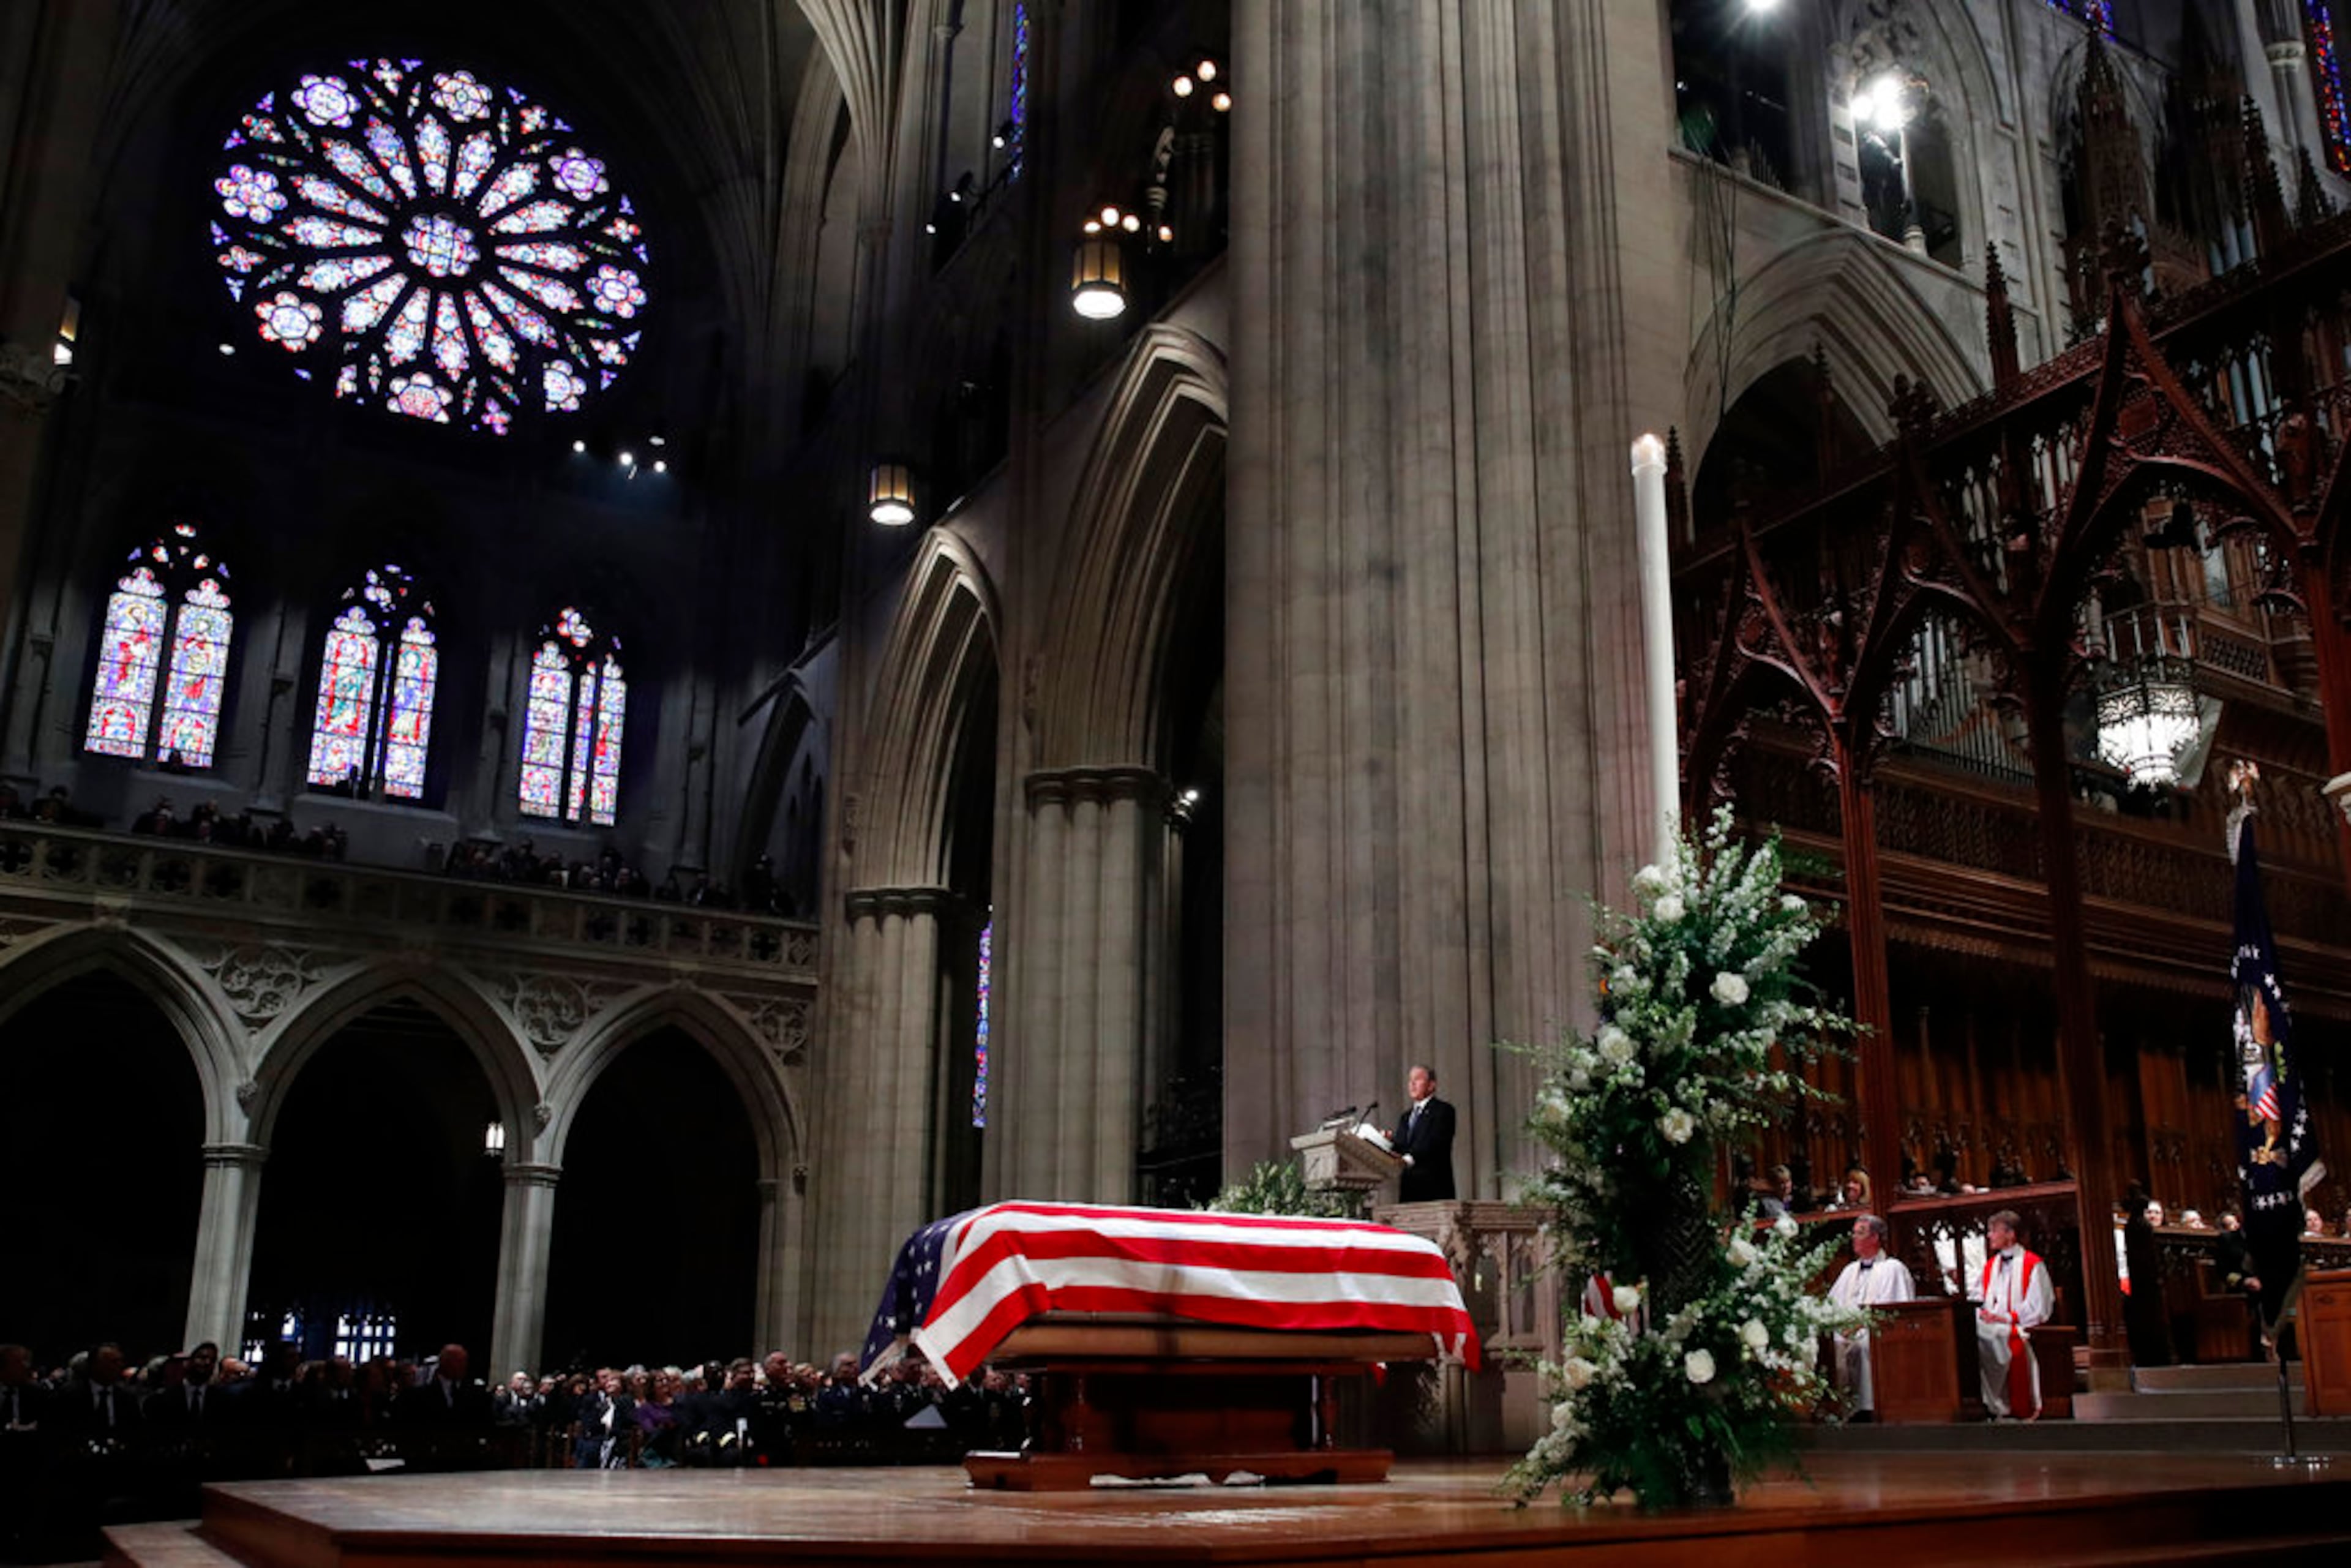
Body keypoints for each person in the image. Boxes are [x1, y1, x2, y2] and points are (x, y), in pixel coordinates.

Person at [1827, 1214, 1914, 1416]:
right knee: (1831, 1344)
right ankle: (1843, 1408)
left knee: (1865, 1345)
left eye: (1860, 1233)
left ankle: (1869, 1408)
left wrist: (1859, 1326)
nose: (1854, 1238)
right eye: (1854, 1233)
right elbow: (1831, 1305)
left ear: (1875, 1238)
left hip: (1876, 1331)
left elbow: (1894, 1311)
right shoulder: (1850, 1270)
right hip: (1847, 1330)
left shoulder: (1893, 1268)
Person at [1974, 1209, 2053, 1420]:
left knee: (2000, 1339)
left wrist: (2005, 1318)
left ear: (2010, 1235)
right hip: (1991, 1326)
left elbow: (2039, 1306)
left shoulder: (2033, 1264)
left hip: (2018, 1327)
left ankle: (2005, 1404)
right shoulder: (1990, 1266)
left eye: (1994, 1231)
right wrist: (1984, 1313)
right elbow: (1978, 1298)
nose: (1989, 1236)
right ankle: (1988, 1403)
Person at [1387, 1063, 1456, 1202]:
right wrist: (1386, 1141)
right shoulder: (1405, 1117)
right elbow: (1401, 1147)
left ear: (1431, 1085)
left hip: (1434, 1188)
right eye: (1410, 1080)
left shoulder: (1443, 1111)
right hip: (1409, 1189)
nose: (1412, 1084)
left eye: (1418, 1079)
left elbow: (1436, 1143)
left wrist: (1409, 1159)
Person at [2121, 1184, 2170, 1368]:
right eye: (2149, 1211)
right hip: (2143, 1280)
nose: (2152, 1216)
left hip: (2145, 1280)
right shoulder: (2138, 1226)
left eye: (2157, 1213)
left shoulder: (2138, 1226)